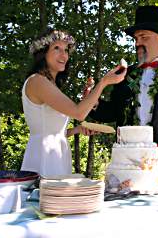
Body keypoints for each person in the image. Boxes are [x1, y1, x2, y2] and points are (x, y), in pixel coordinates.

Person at [88, 5, 158, 178]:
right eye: (136, 38)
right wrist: (93, 102)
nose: (138, 42)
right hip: (129, 163)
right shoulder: (124, 76)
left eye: (143, 37)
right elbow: (112, 112)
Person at [21, 28, 126, 177]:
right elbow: (79, 113)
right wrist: (103, 82)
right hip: (43, 157)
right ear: (43, 53)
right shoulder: (38, 81)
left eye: (66, 50)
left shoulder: (50, 85)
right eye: (56, 48)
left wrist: (76, 130)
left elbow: (52, 131)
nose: (63, 54)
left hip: (56, 155)